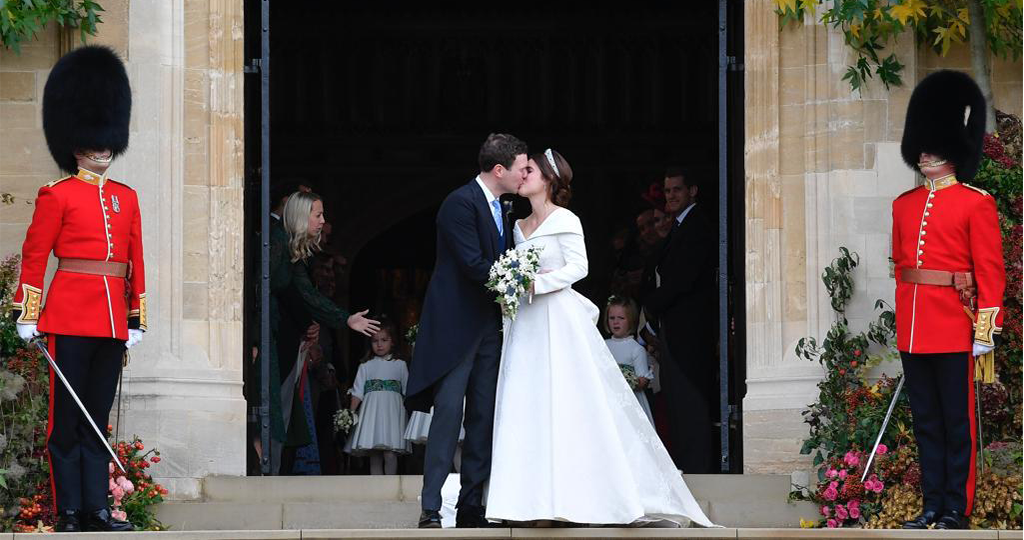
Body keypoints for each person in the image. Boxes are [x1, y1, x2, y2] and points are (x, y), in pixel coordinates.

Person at [486, 149, 713, 527]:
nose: (521, 175)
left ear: (549, 180)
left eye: (529, 170)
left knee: (566, 404)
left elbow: (579, 267)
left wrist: (536, 282)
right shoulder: (518, 225)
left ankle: (576, 497)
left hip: (557, 321)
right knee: (528, 402)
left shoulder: (566, 220)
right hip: (526, 324)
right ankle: (527, 501)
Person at [10, 46, 140, 532]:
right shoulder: (56, 194)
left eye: (107, 139)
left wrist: (136, 318)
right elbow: (35, 256)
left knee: (96, 418)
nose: (101, 147)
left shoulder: (127, 199)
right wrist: (28, 312)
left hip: (111, 322)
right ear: (76, 142)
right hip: (67, 314)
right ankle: (68, 510)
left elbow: (134, 264)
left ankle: (98, 508)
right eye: (92, 140)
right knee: (66, 422)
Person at [894, 70, 1005, 531]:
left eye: (931, 144)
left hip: (955, 328)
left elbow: (990, 274)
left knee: (958, 425)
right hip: (915, 329)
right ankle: (932, 505)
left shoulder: (975, 203)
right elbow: (901, 269)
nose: (923, 152)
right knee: (927, 424)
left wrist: (984, 332)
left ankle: (956, 509)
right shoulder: (903, 204)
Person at [407, 133, 528, 529]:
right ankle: (430, 507)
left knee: (483, 417)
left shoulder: (504, 206)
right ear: (499, 170)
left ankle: (472, 505)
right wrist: (517, 282)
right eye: (521, 168)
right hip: (456, 328)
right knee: (448, 416)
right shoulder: (459, 203)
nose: (525, 174)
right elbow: (474, 264)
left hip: (489, 328)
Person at [270, 191, 379, 475]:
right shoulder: (275, 243)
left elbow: (307, 294)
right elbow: (261, 293)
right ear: (300, 216)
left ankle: (274, 471)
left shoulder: (293, 251)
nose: (323, 221)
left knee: (284, 407)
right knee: (274, 407)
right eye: (317, 215)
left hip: (285, 338)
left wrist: (345, 319)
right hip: (271, 338)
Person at [641, 168, 717, 473]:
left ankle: (698, 470)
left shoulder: (697, 225)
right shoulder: (679, 226)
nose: (671, 196)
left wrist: (650, 307)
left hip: (690, 331)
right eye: (667, 190)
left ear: (692, 191)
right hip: (675, 329)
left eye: (676, 190)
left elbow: (682, 279)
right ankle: (687, 466)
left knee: (691, 402)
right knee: (678, 404)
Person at [344, 317, 411, 474]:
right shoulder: (365, 365)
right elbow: (358, 391)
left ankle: (390, 488)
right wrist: (350, 413)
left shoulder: (400, 364)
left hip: (393, 413)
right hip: (371, 414)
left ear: (392, 341)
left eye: (384, 340)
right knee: (374, 454)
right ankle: (377, 490)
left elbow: (407, 391)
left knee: (389, 453)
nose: (379, 344)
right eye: (375, 341)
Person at [604, 296, 655, 425]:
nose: (616, 322)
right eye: (612, 318)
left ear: (631, 320)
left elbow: (642, 383)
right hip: (607, 400)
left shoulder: (636, 349)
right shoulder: (602, 345)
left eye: (621, 318)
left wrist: (625, 379)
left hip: (630, 403)